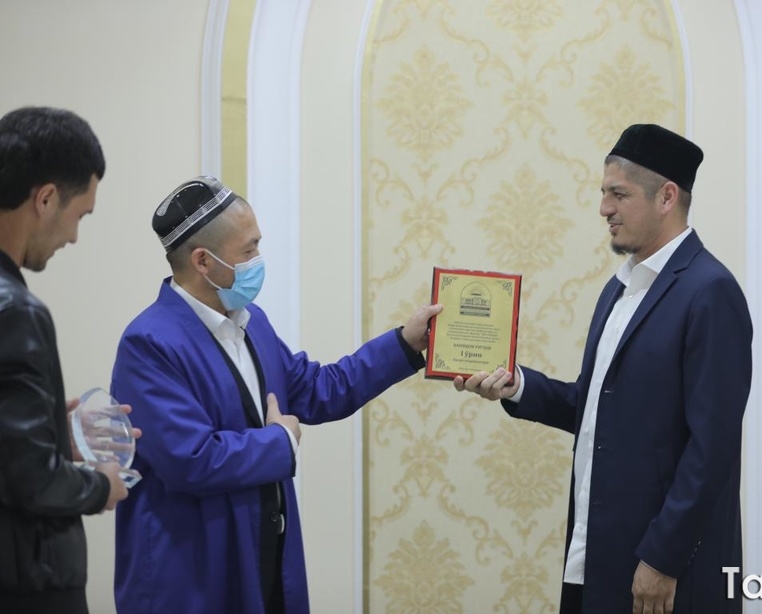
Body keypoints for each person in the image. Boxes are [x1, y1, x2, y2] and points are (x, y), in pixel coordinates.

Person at [454, 124, 753, 613]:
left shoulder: (709, 291)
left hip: (665, 574)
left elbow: (712, 448)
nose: (604, 209)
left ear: (667, 197)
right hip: (596, 560)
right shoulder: (618, 289)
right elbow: (595, 408)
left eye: (619, 194)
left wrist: (663, 558)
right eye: (603, 193)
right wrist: (515, 384)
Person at [110, 175, 442, 614]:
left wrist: (404, 343)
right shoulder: (150, 343)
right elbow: (191, 460)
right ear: (203, 261)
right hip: (194, 576)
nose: (258, 260)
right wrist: (280, 440)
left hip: (264, 559)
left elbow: (320, 390)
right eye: (248, 250)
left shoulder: (251, 321)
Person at [0, 106, 130, 614]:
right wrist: (102, 486)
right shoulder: (16, 311)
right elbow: (33, 480)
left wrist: (52, 433)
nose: (73, 237)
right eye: (80, 216)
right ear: (46, 198)